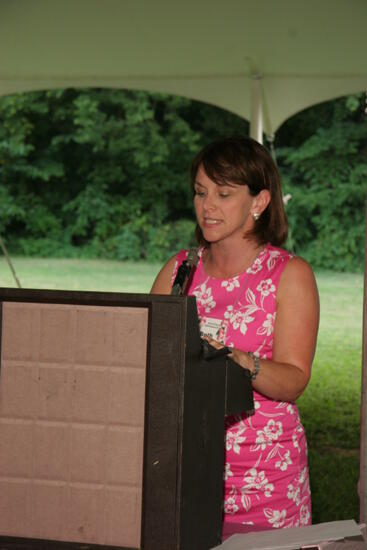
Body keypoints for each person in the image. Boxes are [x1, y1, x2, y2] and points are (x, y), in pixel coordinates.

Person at [151, 136, 319, 538]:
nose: (207, 206)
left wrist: (244, 361)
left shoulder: (290, 274)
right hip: (187, 472)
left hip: (265, 480)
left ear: (259, 202)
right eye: (200, 192)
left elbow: (295, 378)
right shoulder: (178, 270)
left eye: (223, 194)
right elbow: (146, 357)